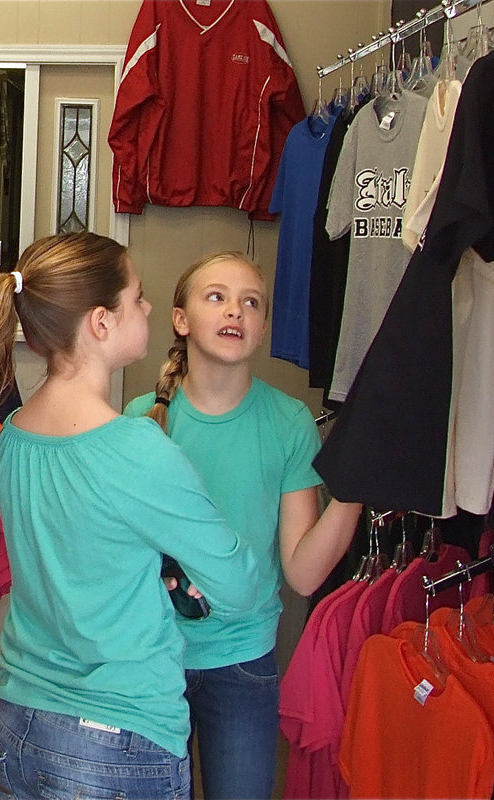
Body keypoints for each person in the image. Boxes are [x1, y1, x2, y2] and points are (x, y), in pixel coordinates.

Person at [0, 233, 260, 800]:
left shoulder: (12, 436)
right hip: (115, 742)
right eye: (137, 297)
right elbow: (241, 585)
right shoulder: (135, 448)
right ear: (101, 323)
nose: (150, 308)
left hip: (20, 726)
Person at [124, 250, 363, 799]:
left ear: (260, 332)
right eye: (217, 296)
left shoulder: (288, 423)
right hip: (151, 661)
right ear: (181, 320)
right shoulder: (139, 419)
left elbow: (303, 574)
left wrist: (354, 492)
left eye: (250, 302)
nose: (236, 310)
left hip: (243, 664)